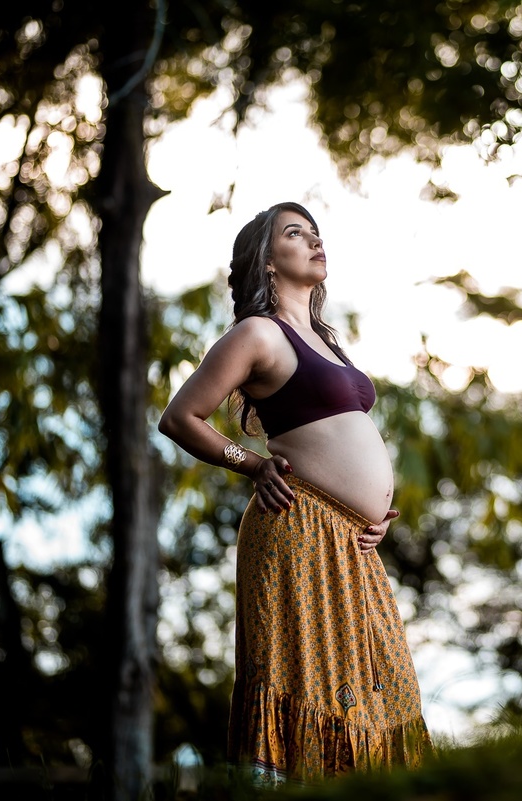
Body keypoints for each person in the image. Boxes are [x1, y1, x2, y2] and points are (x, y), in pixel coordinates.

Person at [158, 201, 432, 786]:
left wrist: (374, 511)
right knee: (305, 683)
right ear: (267, 260)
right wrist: (251, 464)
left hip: (352, 544)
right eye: (294, 234)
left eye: (315, 233)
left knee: (379, 688)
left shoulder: (327, 341)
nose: (313, 241)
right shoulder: (258, 334)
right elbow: (181, 417)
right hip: (296, 531)